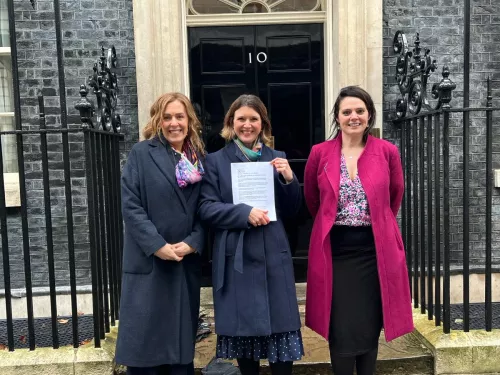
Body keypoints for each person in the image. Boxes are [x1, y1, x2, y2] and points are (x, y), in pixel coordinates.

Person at [303, 86, 414, 375]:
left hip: (373, 250)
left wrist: (377, 224)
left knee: (368, 324)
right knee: (339, 325)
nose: (354, 116)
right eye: (347, 112)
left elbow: (394, 196)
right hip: (335, 251)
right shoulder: (320, 153)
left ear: (369, 115)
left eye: (360, 111)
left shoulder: (387, 151)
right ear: (337, 117)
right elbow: (313, 200)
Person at [198, 94, 304, 375]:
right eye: (241, 118)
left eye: (253, 119)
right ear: (231, 123)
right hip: (237, 256)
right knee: (245, 339)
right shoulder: (215, 161)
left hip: (273, 254)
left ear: (263, 124)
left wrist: (289, 179)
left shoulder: (277, 158)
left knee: (282, 337)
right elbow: (206, 209)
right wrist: (242, 214)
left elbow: (294, 211)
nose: (247, 124)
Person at [115, 92, 206, 375]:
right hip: (150, 262)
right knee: (146, 351)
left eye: (179, 116)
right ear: (158, 120)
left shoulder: (199, 158)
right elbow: (131, 206)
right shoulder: (141, 154)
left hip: (183, 261)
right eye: (167, 117)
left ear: (189, 121)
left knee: (178, 354)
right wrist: (157, 245)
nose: (173, 123)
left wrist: (193, 243)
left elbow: (208, 209)